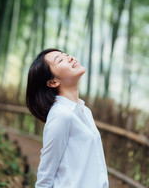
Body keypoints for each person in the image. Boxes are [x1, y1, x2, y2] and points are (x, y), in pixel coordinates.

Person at [26, 48, 109, 188]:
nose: (69, 57)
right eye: (60, 60)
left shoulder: (84, 111)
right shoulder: (61, 115)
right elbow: (45, 177)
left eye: (66, 55)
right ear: (52, 82)